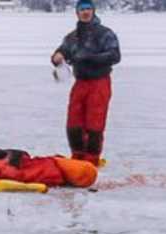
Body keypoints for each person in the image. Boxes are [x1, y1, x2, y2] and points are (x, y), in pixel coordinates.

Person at [51, 0, 120, 164]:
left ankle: (91, 159)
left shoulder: (105, 33)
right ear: (77, 13)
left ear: (93, 11)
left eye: (88, 9)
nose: (85, 12)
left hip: (99, 82)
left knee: (94, 122)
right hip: (80, 83)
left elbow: (115, 56)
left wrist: (89, 58)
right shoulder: (72, 36)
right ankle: (77, 156)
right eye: (82, 9)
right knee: (73, 122)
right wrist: (57, 56)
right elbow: (62, 51)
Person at [0, 146, 99, 191]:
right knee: (85, 172)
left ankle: (81, 171)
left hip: (49, 173)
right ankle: (81, 168)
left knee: (84, 173)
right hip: (50, 164)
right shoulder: (11, 156)